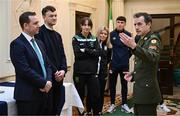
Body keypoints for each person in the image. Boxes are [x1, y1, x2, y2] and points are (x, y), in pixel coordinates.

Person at [119, 12, 162, 115]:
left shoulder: (153, 40)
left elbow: (152, 57)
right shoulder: (142, 39)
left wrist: (134, 46)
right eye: (135, 24)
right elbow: (143, 65)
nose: (136, 27)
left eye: (139, 24)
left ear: (149, 24)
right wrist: (133, 74)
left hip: (147, 92)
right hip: (140, 90)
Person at [10, 11, 52, 115]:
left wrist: (48, 82)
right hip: (28, 97)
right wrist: (43, 83)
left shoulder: (39, 43)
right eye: (35, 23)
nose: (39, 26)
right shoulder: (17, 44)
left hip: (44, 94)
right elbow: (24, 70)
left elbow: (48, 65)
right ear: (25, 25)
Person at [35, 5, 67, 115]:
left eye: (55, 16)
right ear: (44, 17)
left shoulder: (58, 35)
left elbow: (63, 55)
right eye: (51, 16)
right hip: (48, 78)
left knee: (57, 109)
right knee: (48, 109)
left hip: (59, 77)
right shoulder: (39, 33)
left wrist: (63, 70)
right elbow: (44, 56)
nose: (54, 18)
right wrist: (55, 72)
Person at [72, 17, 100, 115]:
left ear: (91, 27)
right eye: (84, 25)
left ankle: (94, 113)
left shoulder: (95, 38)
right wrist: (92, 52)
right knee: (79, 95)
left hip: (92, 72)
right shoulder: (75, 38)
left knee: (95, 95)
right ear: (81, 26)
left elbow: (98, 53)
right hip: (80, 72)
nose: (86, 27)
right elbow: (78, 55)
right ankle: (81, 114)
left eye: (88, 25)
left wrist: (85, 50)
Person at [107, 16, 132, 113]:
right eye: (118, 22)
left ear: (125, 24)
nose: (120, 24)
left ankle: (124, 104)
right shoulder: (111, 34)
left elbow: (131, 50)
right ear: (116, 23)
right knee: (112, 85)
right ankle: (112, 104)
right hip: (113, 65)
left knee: (124, 84)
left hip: (124, 65)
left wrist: (125, 58)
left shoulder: (128, 34)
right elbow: (109, 50)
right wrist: (110, 61)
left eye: (122, 22)